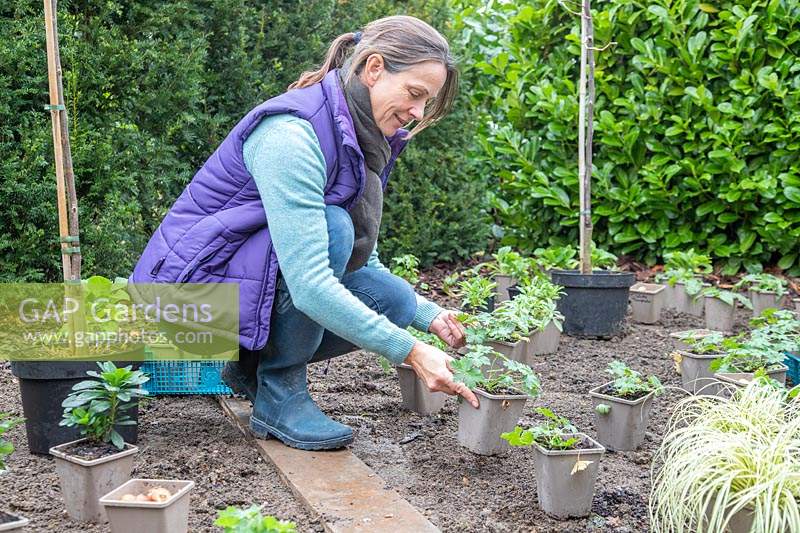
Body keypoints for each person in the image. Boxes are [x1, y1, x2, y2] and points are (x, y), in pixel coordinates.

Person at [129, 15, 479, 450]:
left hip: (238, 294)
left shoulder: (359, 138)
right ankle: (280, 392)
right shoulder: (292, 135)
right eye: (414, 94)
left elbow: (361, 260)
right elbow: (311, 286)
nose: (418, 113)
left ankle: (251, 369)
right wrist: (411, 351)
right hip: (185, 303)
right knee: (333, 227)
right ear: (373, 69)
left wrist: (426, 314)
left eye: (427, 101)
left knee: (391, 296)